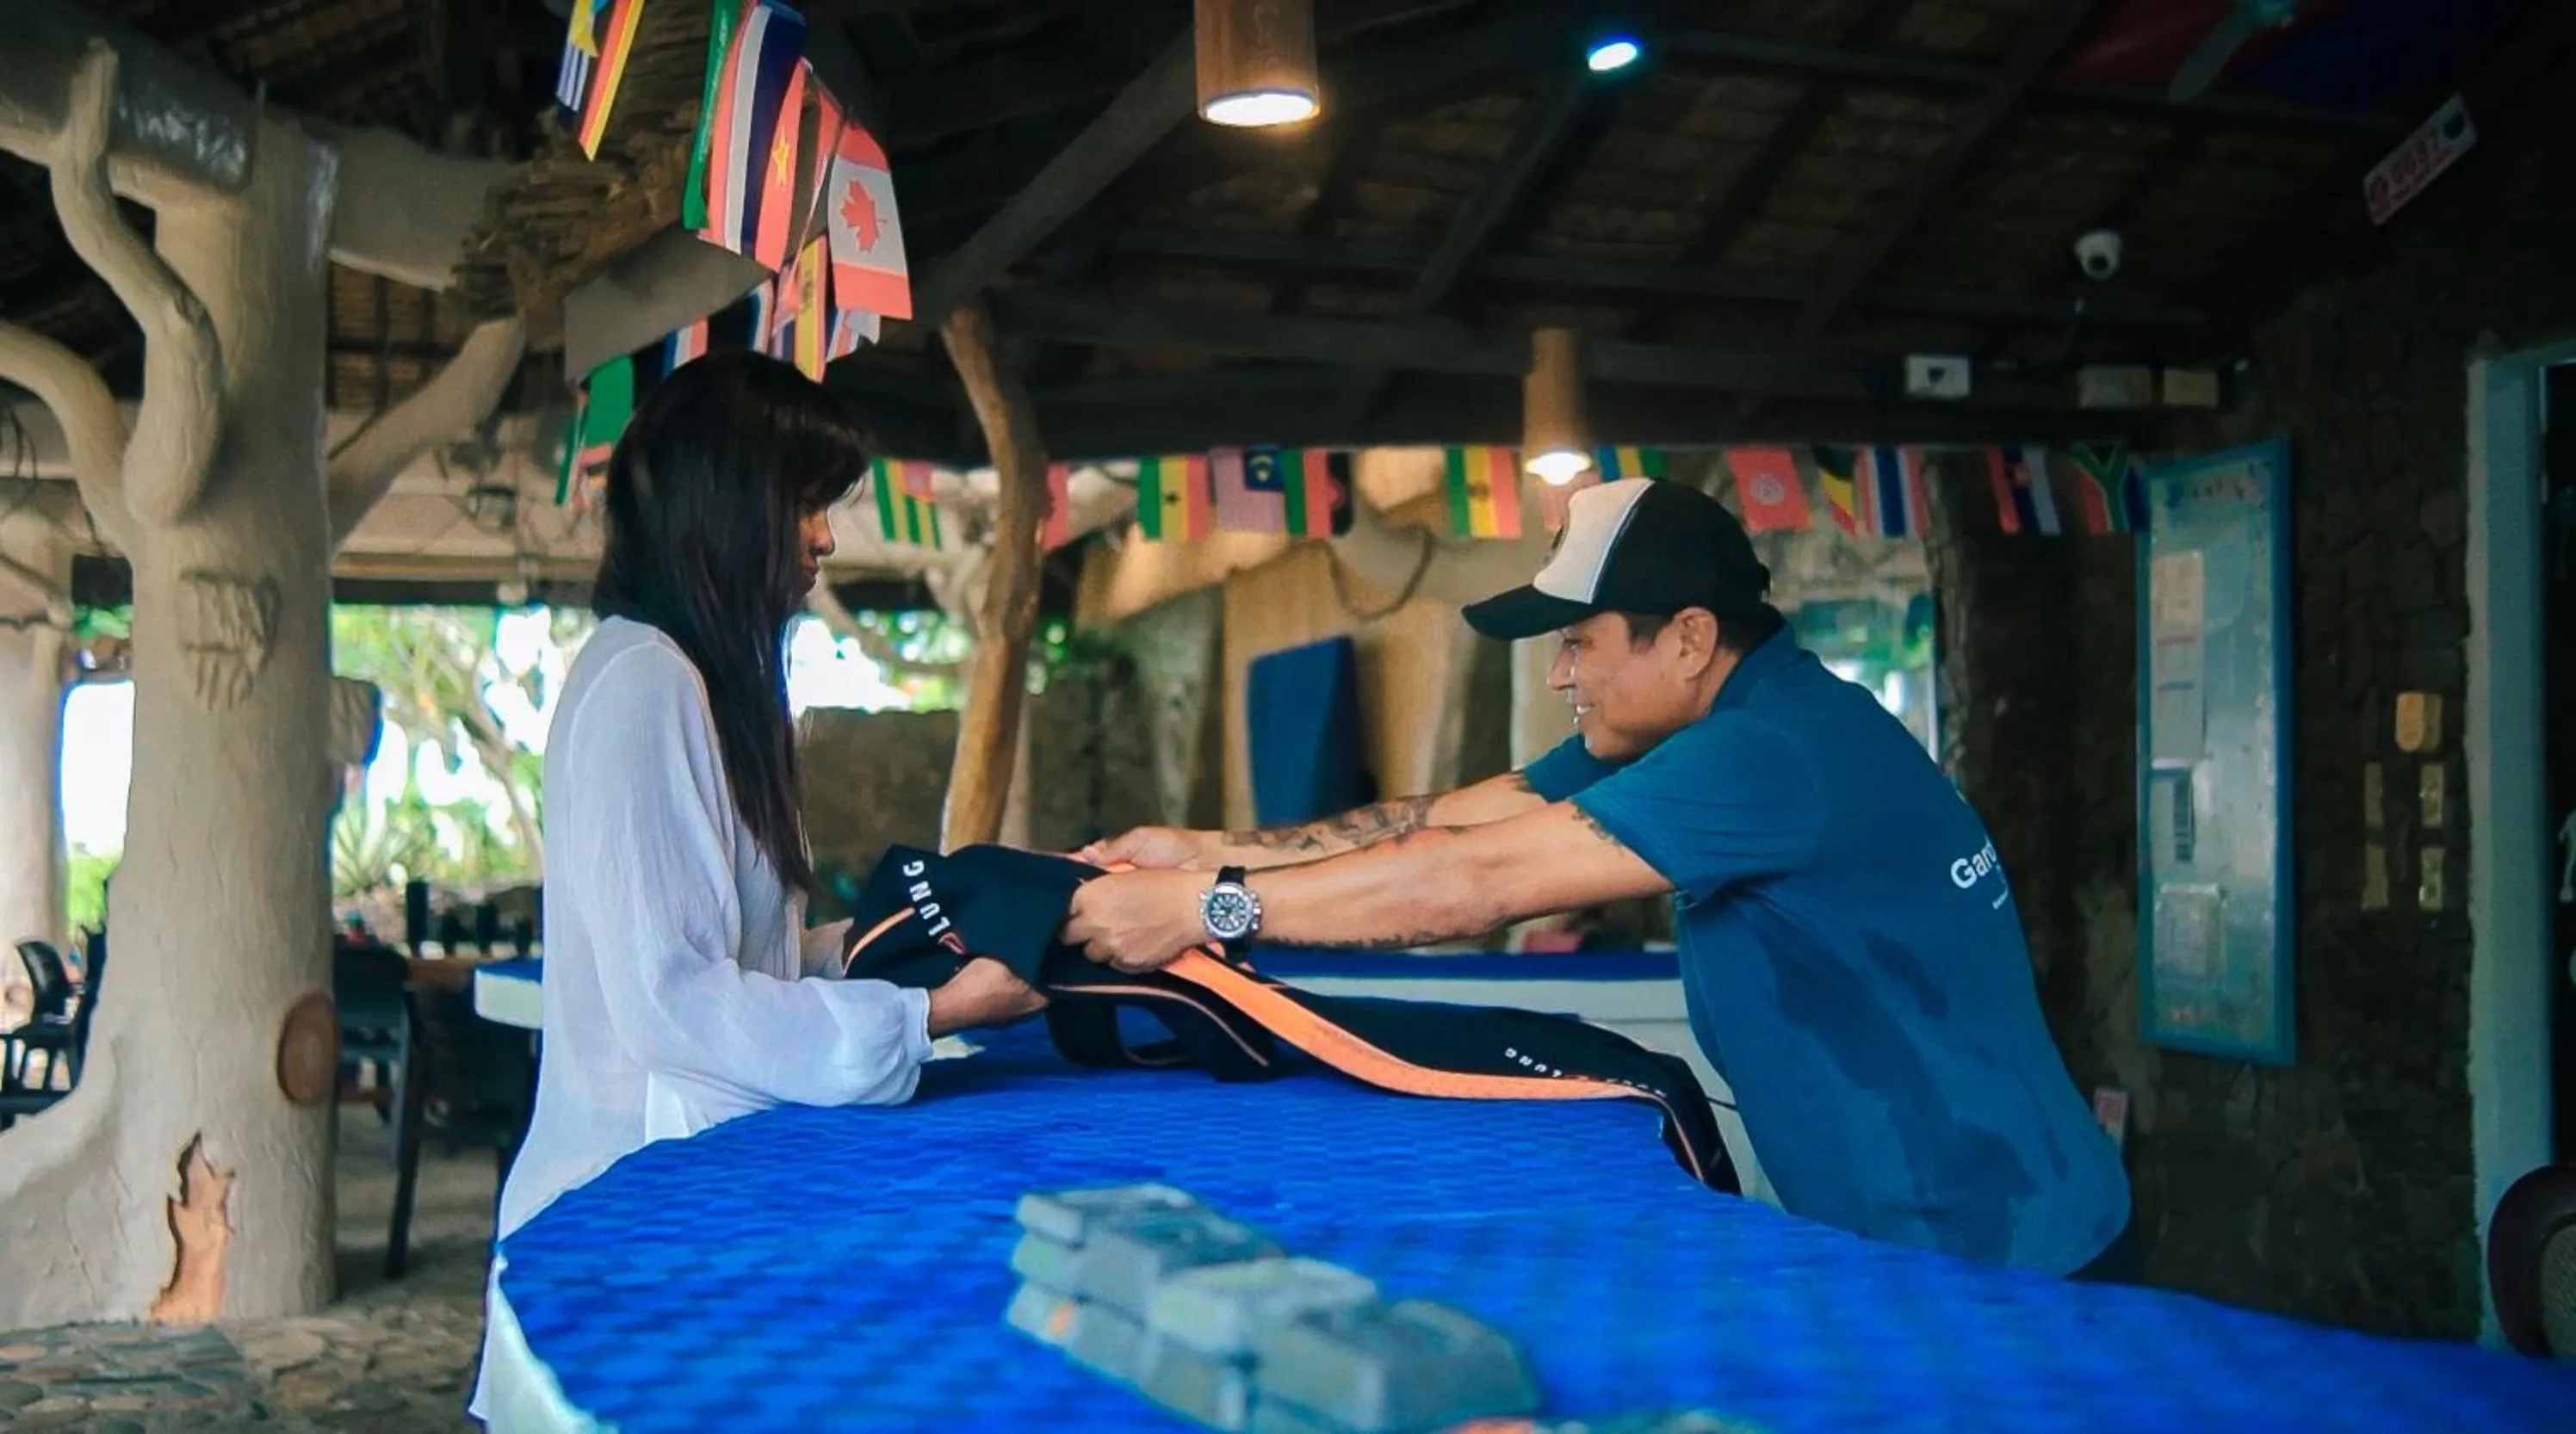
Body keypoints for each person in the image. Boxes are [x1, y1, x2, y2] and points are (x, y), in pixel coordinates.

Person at [1064, 477, 2133, 1280]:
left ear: (1689, 638)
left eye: (1578, 642)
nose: (1561, 674)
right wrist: (1205, 851)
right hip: (1932, 1216)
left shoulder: (1763, 754)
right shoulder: (1714, 723)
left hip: (1994, 1237)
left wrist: (1203, 913)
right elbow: (1452, 816)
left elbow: (1469, 882)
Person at [472, 353, 1044, 1421]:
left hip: (676, 1200)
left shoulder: (681, 675)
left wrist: (883, 941)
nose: (823, 535)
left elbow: (730, 957)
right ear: (725, 505)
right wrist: (925, 1015)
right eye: (802, 502)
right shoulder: (648, 682)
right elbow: (674, 1001)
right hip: (629, 1220)